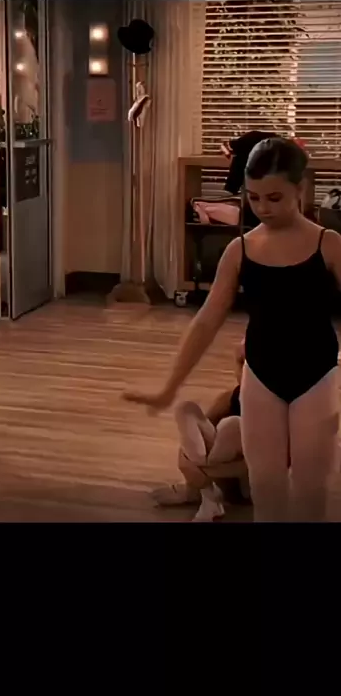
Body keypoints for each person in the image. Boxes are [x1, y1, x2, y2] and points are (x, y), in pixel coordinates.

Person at [124, 137, 341, 522]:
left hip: (317, 377)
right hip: (261, 377)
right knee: (267, 486)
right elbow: (206, 321)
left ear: (300, 188)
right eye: (253, 198)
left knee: (311, 488)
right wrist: (168, 388)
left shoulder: (329, 245)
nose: (263, 208)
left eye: (274, 198)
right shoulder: (240, 250)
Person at [152, 341, 249, 522]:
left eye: (249, 365)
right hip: (221, 471)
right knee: (186, 410)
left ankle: (207, 493)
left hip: (250, 481)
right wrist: (188, 465)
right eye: (240, 363)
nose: (244, 372)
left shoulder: (278, 404)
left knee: (231, 426)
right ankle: (207, 497)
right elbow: (196, 438)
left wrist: (199, 470)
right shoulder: (231, 398)